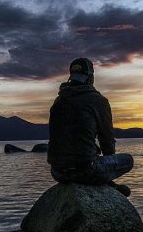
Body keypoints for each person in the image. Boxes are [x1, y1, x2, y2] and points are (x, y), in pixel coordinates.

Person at [47, 57, 133, 196]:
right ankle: (107, 185)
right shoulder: (98, 101)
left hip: (57, 172)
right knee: (128, 160)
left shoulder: (58, 101)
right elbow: (107, 141)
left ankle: (107, 183)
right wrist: (108, 166)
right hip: (86, 170)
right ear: (91, 77)